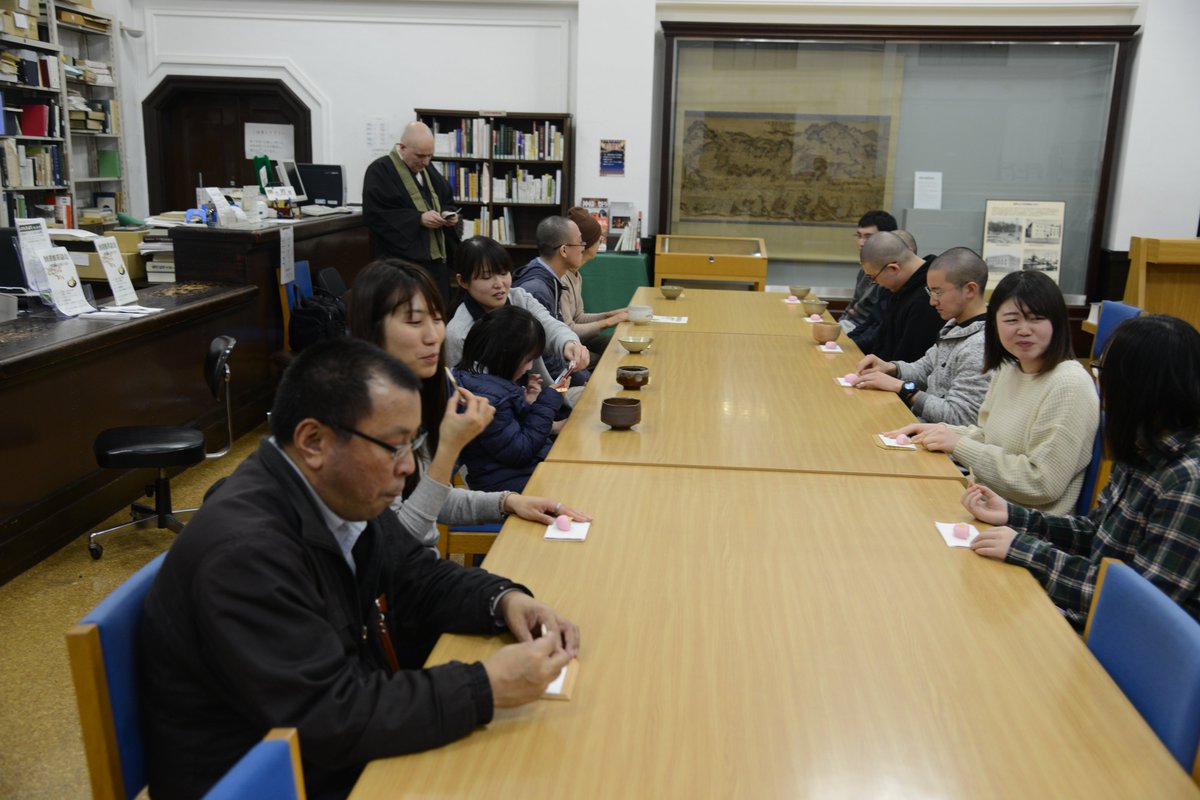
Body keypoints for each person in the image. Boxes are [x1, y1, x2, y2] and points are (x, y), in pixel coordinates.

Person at [140, 338, 580, 799]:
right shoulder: (245, 554)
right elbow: (332, 715)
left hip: (325, 750)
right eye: (393, 447)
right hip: (273, 779)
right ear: (314, 441)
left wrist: (505, 600)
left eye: (414, 445)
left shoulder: (333, 493)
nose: (409, 467)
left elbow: (417, 574)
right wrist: (485, 686)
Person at [963, 314, 1200, 632]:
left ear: (1139, 387)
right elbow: (1096, 534)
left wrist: (1028, 551)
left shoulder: (1187, 479)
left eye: (1103, 372)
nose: (1100, 386)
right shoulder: (1144, 443)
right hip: (1092, 617)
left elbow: (1139, 607)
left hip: (1123, 649)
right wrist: (1013, 516)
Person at [347, 259, 588, 554]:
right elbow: (399, 547)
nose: (433, 335)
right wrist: (449, 448)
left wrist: (508, 502)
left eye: (437, 319)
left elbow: (430, 496)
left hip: (426, 568)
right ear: (371, 330)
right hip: (405, 576)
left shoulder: (434, 385)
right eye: (414, 322)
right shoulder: (361, 419)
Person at [890, 270, 1098, 513]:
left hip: (1025, 525)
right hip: (983, 501)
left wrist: (958, 444)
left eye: (1036, 318)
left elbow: (1041, 482)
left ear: (1058, 323)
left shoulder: (1069, 384)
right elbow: (988, 436)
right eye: (1011, 320)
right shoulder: (1009, 368)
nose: (1023, 330)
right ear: (994, 325)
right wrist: (941, 431)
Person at [852, 247, 991, 425]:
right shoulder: (953, 326)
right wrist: (889, 368)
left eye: (938, 292)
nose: (932, 301)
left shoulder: (981, 344)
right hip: (921, 428)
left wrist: (902, 388)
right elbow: (924, 369)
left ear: (970, 290)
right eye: (930, 292)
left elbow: (960, 417)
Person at [445, 236, 590, 394]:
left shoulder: (519, 298)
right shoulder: (458, 334)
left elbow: (549, 325)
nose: (499, 284)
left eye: (503, 273)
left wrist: (569, 344)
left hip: (543, 398)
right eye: (486, 277)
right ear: (463, 281)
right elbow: (472, 395)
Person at [453, 306, 562, 492]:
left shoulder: (480, 381)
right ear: (505, 357)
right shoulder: (488, 400)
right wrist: (548, 401)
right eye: (528, 360)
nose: (529, 368)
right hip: (509, 486)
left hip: (516, 475)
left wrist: (526, 403)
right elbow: (520, 451)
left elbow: (509, 433)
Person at [362, 121, 460, 302]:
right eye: (420, 156)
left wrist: (448, 214)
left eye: (430, 156)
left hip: (435, 262)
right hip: (401, 265)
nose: (426, 162)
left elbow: (445, 198)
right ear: (402, 147)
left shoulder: (427, 169)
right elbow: (376, 214)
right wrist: (418, 219)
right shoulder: (380, 170)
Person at [851, 231, 945, 363]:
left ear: (893, 268)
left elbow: (912, 361)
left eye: (873, 278)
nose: (877, 284)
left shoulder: (928, 298)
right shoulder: (900, 288)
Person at [563, 206, 628, 357]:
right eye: (598, 239)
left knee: (619, 347)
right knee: (610, 360)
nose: (601, 241)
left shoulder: (575, 274)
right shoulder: (562, 278)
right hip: (568, 347)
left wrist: (611, 315)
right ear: (584, 244)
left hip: (578, 340)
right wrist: (609, 322)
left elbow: (578, 317)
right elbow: (568, 329)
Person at [839, 209, 897, 335]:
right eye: (859, 236)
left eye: (868, 237)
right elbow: (852, 305)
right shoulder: (863, 270)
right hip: (849, 327)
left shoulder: (892, 273)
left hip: (865, 335)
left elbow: (877, 321)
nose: (861, 243)